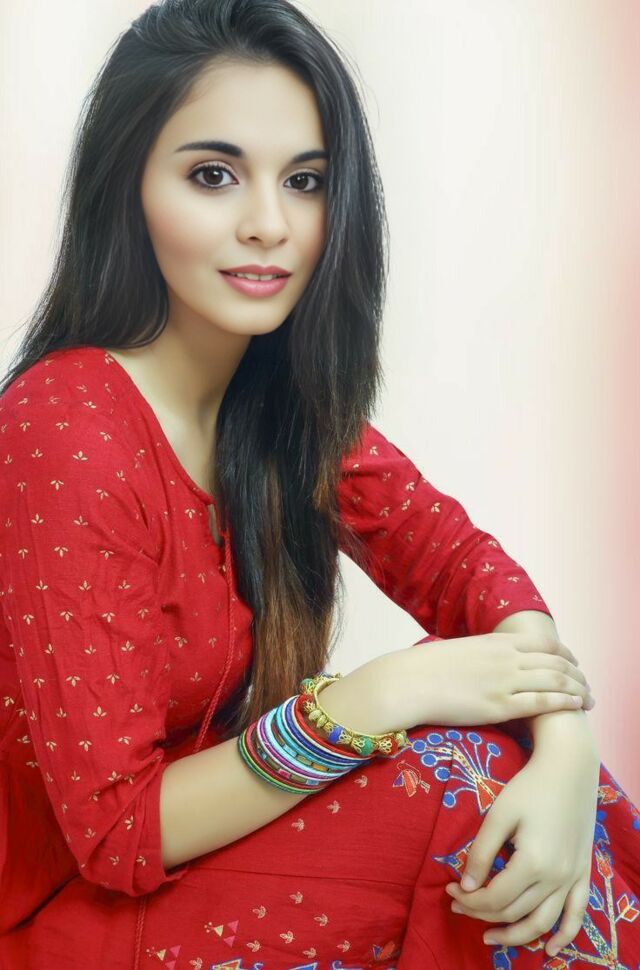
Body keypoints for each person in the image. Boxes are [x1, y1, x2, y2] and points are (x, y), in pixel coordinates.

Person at [0, 1, 638, 968]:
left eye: (305, 181)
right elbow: (118, 834)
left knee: (505, 780)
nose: (269, 225)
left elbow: (462, 567)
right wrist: (380, 694)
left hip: (200, 881)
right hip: (65, 913)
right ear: (125, 185)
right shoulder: (67, 426)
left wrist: (565, 744)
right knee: (457, 782)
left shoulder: (275, 403)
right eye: (213, 175)